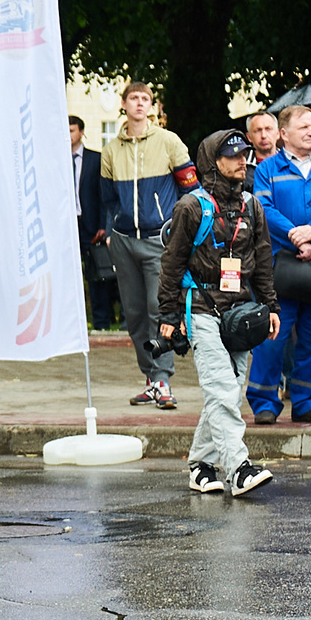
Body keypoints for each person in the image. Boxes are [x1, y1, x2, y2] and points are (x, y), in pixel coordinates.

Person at [156, 129, 279, 496]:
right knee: (222, 389)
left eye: (245, 155)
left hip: (240, 312)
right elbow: (171, 265)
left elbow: (263, 263)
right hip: (201, 310)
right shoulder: (190, 207)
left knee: (228, 392)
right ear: (213, 162)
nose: (243, 161)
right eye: (234, 155)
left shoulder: (252, 206)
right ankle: (238, 469)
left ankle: (200, 466)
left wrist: (271, 306)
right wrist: (167, 315)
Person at [248, 104, 311, 425]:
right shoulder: (268, 169)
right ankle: (264, 401)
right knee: (272, 335)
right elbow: (263, 208)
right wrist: (294, 235)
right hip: (280, 264)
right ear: (284, 134)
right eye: (303, 127)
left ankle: (306, 402)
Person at [98, 82, 190, 408]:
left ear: (152, 105)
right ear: (123, 104)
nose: (140, 103)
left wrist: (178, 231)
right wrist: (110, 233)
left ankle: (163, 379)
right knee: (135, 314)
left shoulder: (169, 142)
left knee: (159, 308)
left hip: (157, 240)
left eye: (145, 99)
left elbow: (189, 190)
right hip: (123, 241)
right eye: (134, 98)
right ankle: (150, 378)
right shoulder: (111, 150)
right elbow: (107, 200)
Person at [71, 116, 114, 330]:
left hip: (91, 226)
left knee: (98, 276)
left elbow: (103, 195)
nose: (68, 135)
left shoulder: (95, 159)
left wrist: (104, 225)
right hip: (66, 228)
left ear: (81, 132)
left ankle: (101, 323)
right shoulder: (56, 160)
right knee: (68, 276)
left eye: (71, 130)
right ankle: (72, 324)